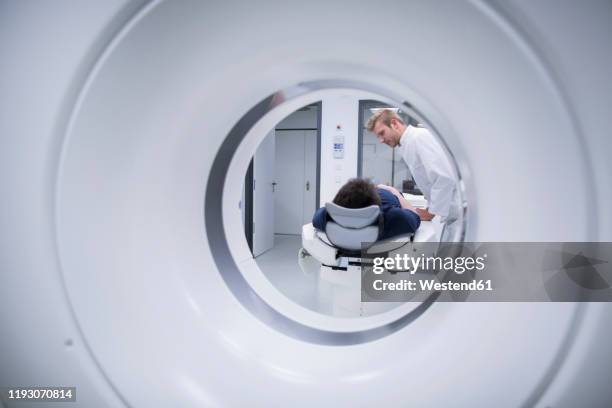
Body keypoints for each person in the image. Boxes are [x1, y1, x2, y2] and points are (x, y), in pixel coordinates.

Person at [365, 109, 458, 225]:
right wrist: (429, 209)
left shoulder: (419, 137)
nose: (381, 140)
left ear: (394, 124)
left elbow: (444, 177)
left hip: (455, 215)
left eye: (382, 133)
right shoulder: (407, 144)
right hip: (448, 215)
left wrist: (432, 212)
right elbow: (431, 182)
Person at [312, 178, 420, 240]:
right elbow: (414, 215)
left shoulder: (326, 217)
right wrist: (394, 192)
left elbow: (318, 215)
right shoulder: (392, 218)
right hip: (385, 194)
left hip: (380, 195)